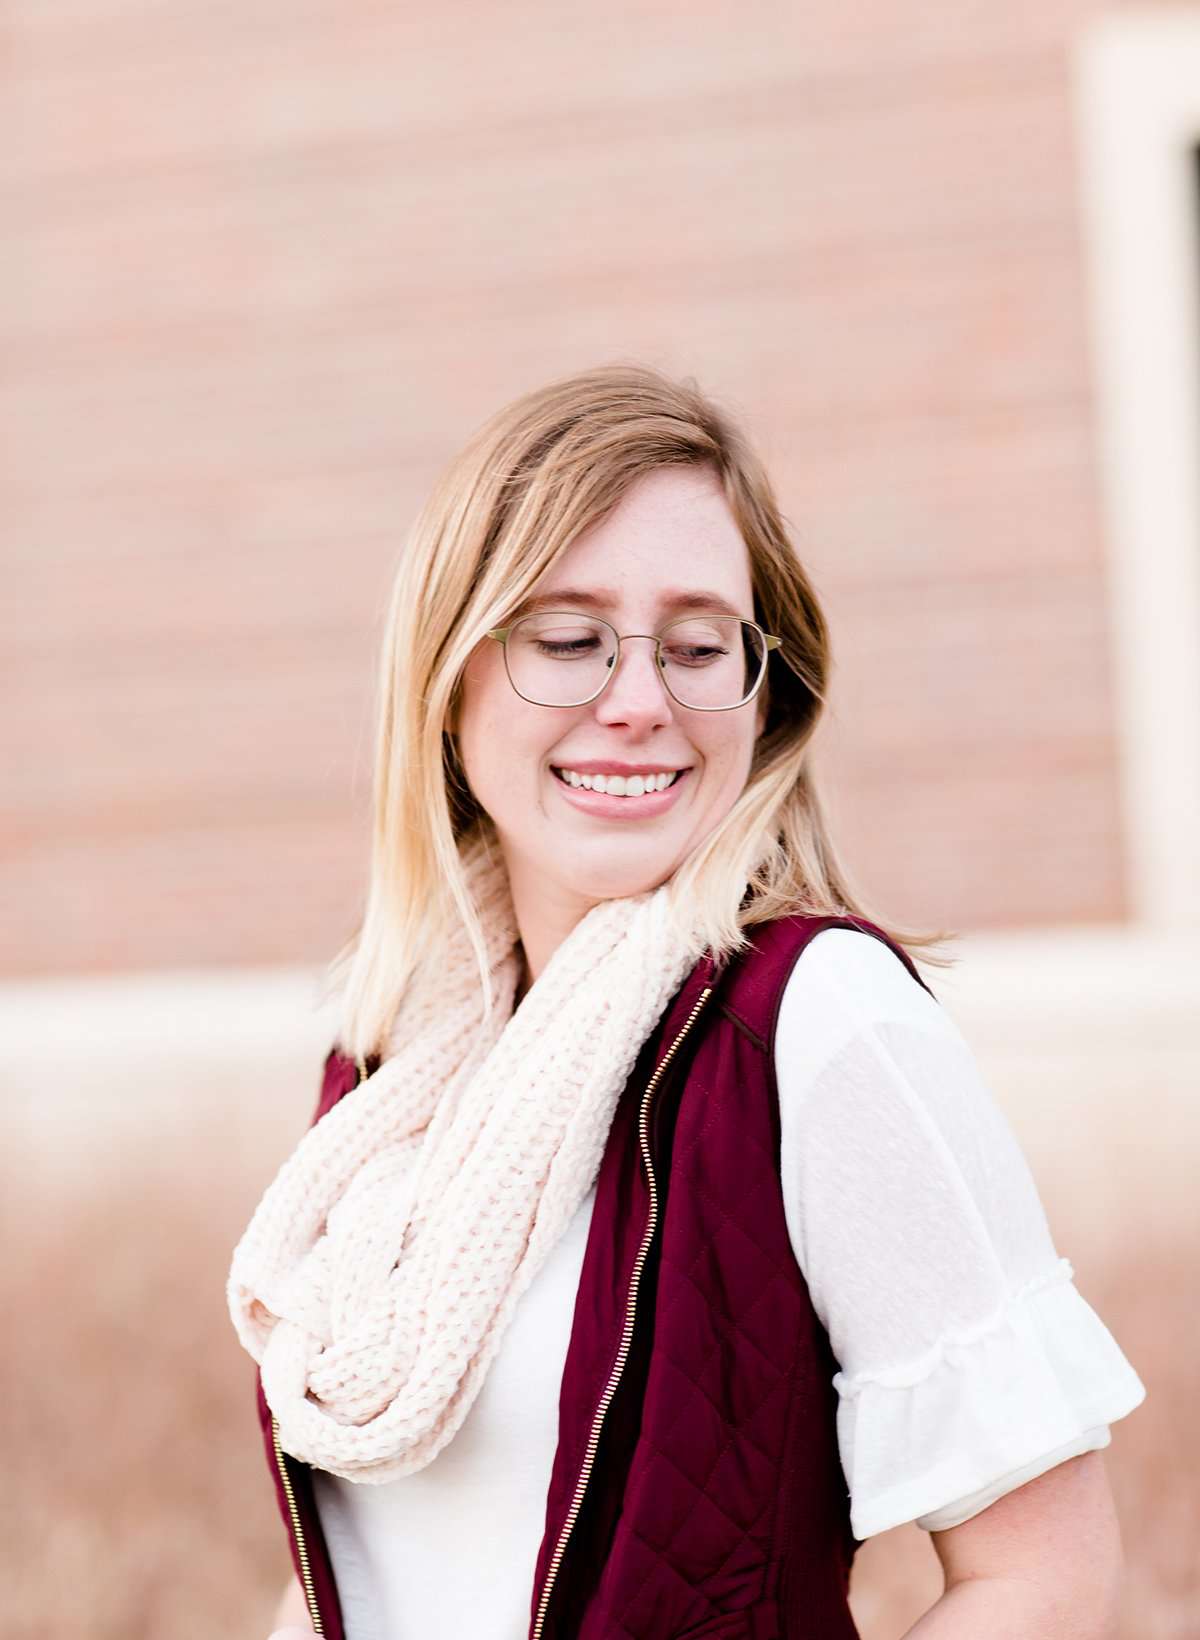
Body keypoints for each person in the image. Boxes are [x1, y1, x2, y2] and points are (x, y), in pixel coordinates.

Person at [228, 363, 1146, 1640]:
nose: (641, 701)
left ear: (763, 695)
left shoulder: (815, 1022)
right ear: (447, 680)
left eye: (700, 643)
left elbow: (1044, 1578)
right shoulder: (393, 1055)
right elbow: (368, 1562)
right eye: (567, 639)